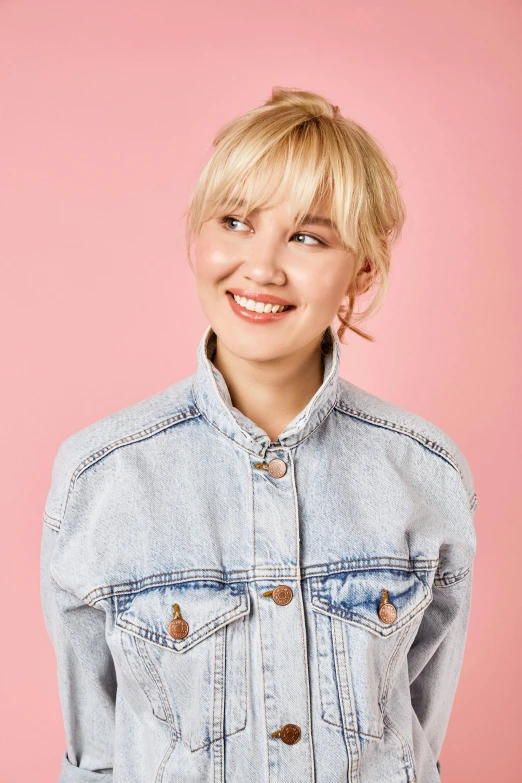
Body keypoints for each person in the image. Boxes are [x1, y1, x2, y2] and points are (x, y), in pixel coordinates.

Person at [40, 87, 478, 783]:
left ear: (360, 270)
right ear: (200, 236)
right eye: (236, 221)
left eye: (308, 236)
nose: (263, 266)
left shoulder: (424, 474)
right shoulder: (102, 477)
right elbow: (96, 757)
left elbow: (417, 737)